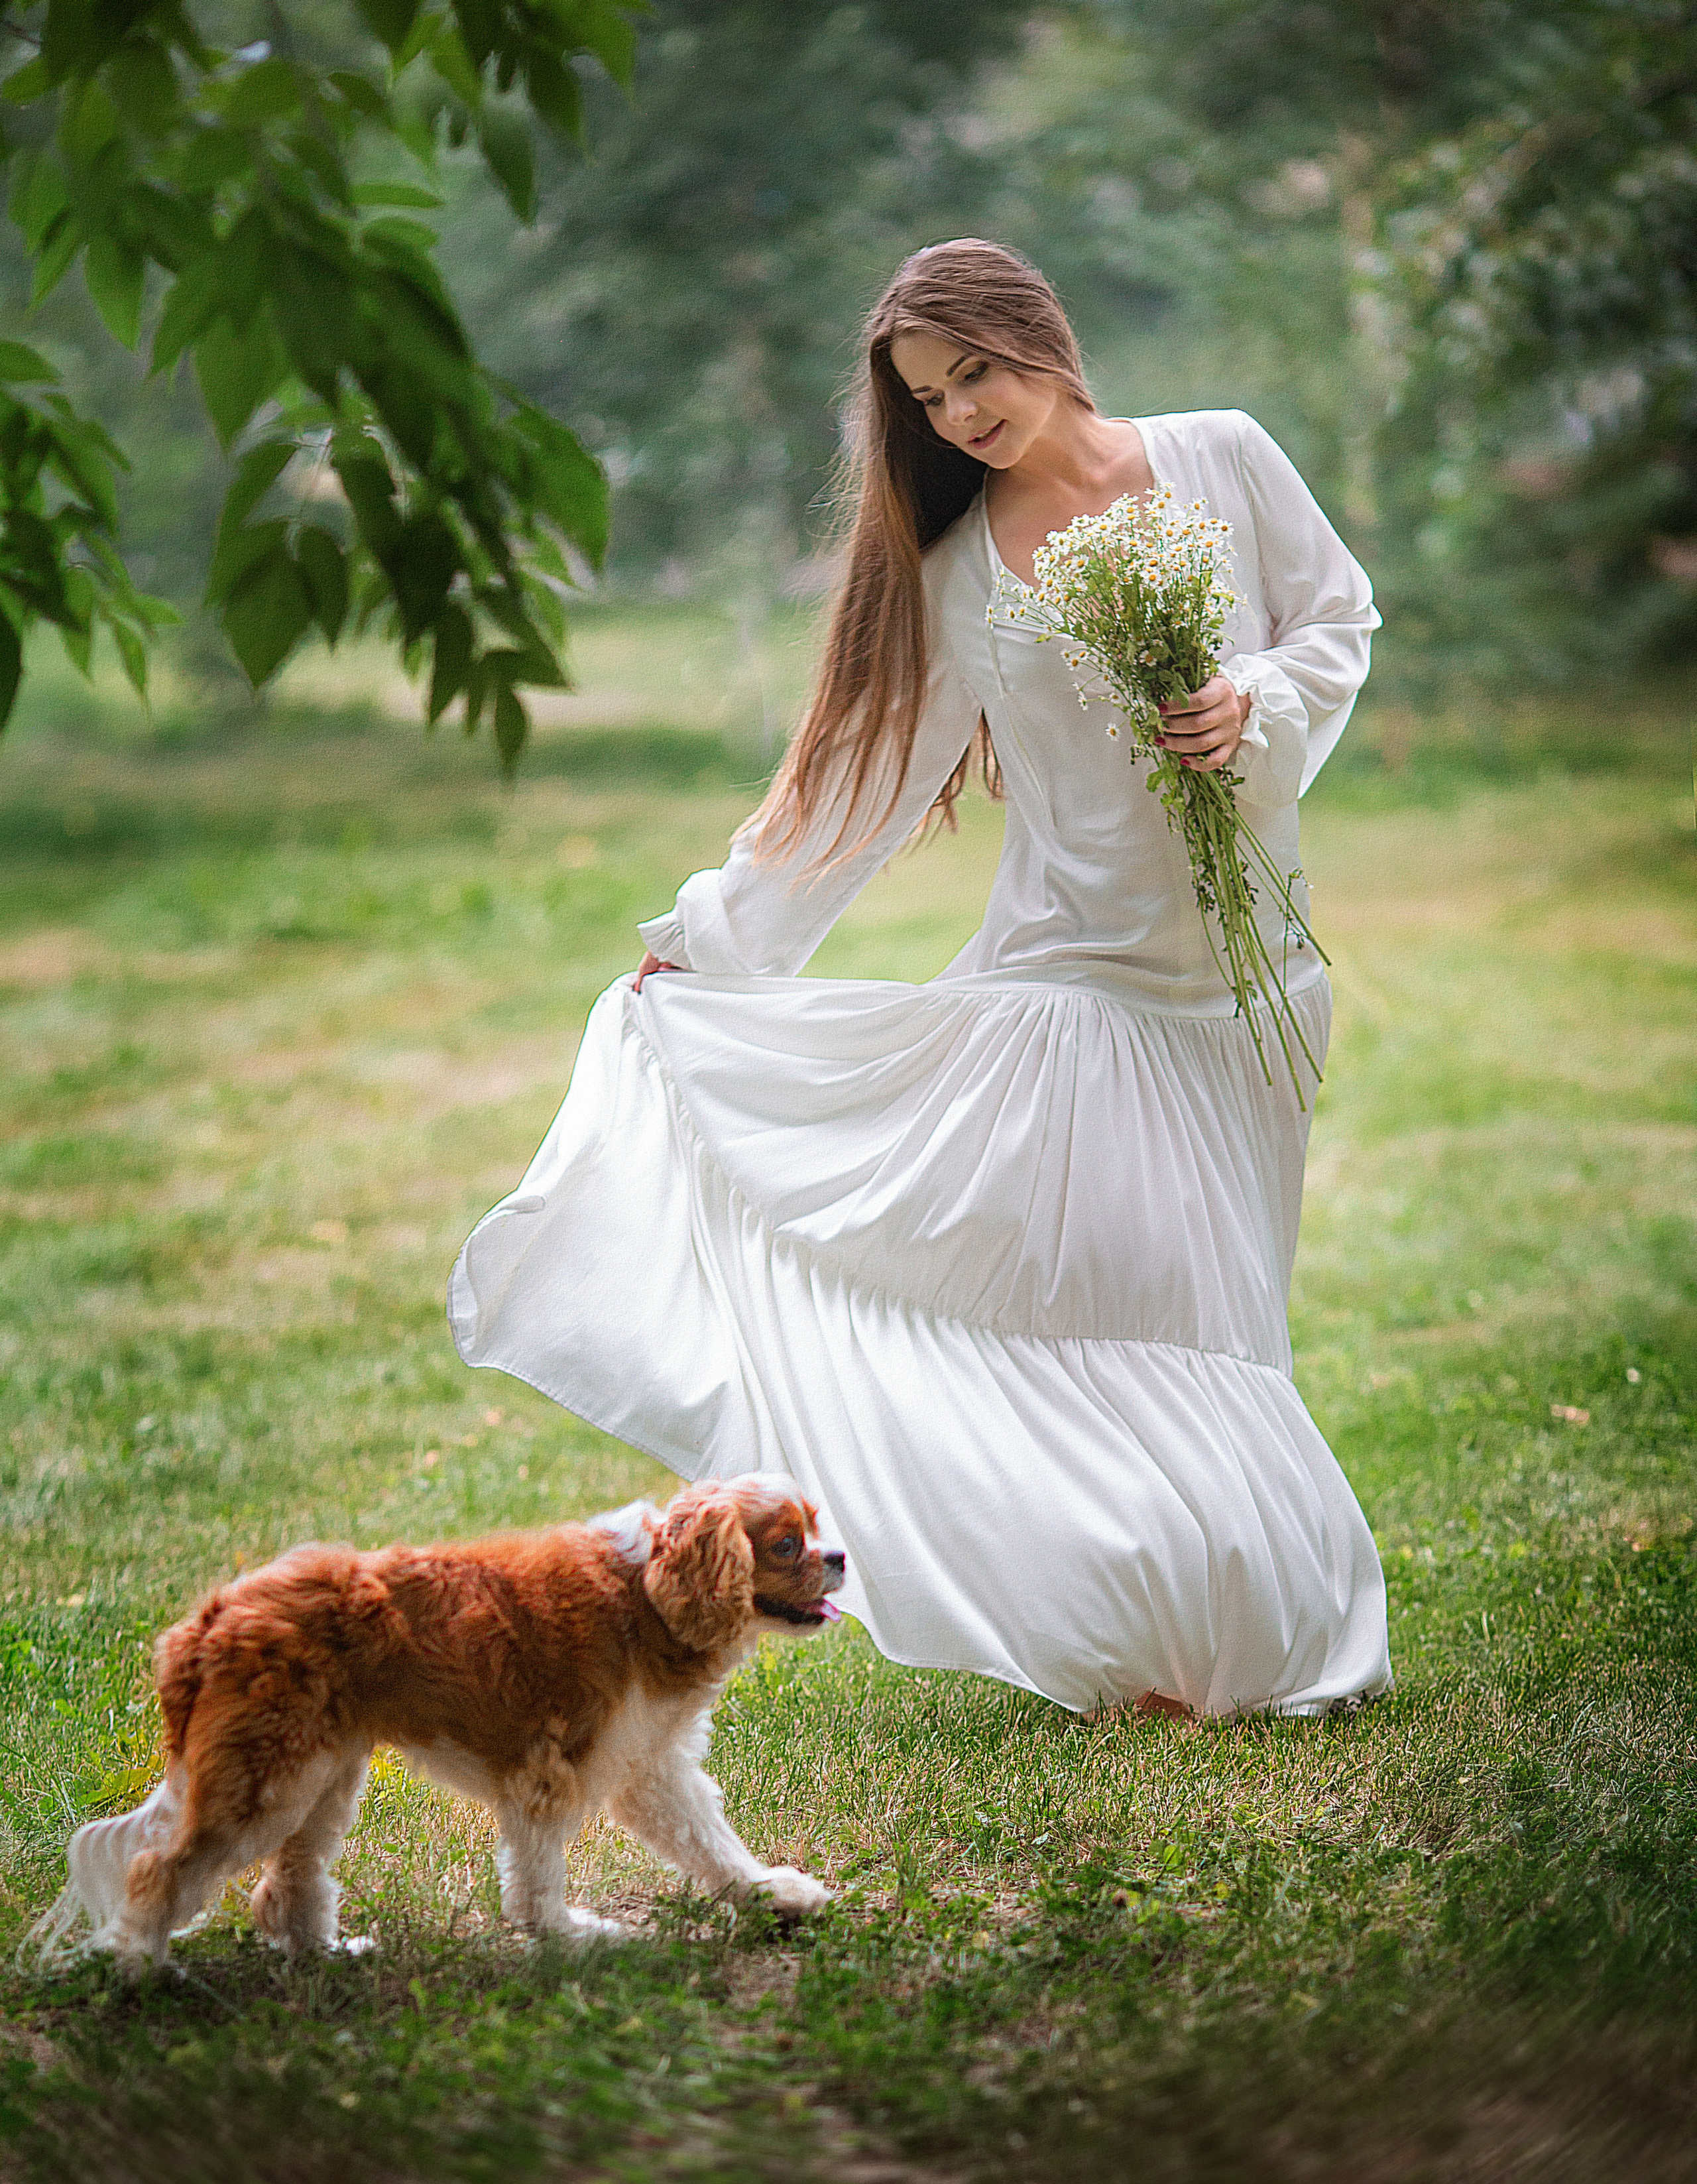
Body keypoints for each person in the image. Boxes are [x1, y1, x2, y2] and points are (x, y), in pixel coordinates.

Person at [449, 237, 1391, 1721]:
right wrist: (708, 937)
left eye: (974, 375)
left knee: (1222, 1315)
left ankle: (1199, 1618)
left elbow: (1333, 623)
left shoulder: (1223, 454)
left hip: (1252, 983)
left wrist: (1247, 704)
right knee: (1122, 1294)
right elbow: (863, 782)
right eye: (927, 400)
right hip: (1069, 976)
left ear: (1043, 339)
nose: (957, 416)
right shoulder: (956, 577)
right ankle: (1165, 1638)